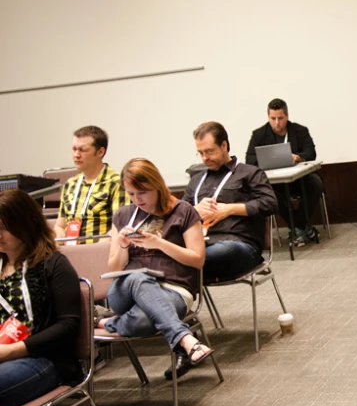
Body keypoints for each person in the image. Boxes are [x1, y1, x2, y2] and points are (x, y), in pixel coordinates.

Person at [98, 158, 213, 380]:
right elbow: (114, 267)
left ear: (157, 186)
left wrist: (159, 243)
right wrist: (122, 244)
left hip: (174, 290)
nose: (136, 199)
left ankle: (108, 322)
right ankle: (185, 339)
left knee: (143, 321)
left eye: (142, 192)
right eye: (131, 193)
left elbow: (197, 260)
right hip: (125, 291)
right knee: (137, 278)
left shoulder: (183, 211)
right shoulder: (123, 215)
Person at [0, 189, 82, 406]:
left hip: (43, 360)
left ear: (26, 225)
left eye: (4, 228)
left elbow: (68, 326)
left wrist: (10, 351)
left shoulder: (54, 264)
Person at [183, 122, 277, 282]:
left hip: (238, 245)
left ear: (224, 145)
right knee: (173, 254)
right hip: (201, 244)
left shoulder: (249, 173)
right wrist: (195, 210)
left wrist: (229, 209)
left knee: (221, 252)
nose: (205, 158)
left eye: (209, 151)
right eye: (200, 153)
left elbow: (270, 203)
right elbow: (178, 213)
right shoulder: (196, 181)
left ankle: (182, 267)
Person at [245, 98, 323, 247]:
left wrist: (299, 157)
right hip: (275, 183)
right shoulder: (259, 135)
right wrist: (265, 161)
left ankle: (297, 227)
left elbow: (311, 152)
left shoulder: (300, 131)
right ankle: (301, 227)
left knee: (316, 183)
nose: (277, 123)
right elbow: (249, 159)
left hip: (300, 179)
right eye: (272, 118)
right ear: (268, 117)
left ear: (287, 116)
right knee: (268, 194)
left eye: (280, 118)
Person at [54, 126, 129, 243]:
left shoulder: (115, 183)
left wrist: (93, 251)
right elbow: (60, 225)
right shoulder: (70, 184)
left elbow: (120, 227)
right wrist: (61, 245)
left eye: (83, 150)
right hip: (69, 252)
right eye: (74, 149)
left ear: (100, 152)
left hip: (98, 253)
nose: (76, 155)